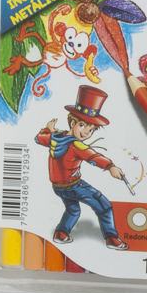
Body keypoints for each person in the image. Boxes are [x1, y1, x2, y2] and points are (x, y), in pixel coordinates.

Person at [36, 87, 129, 250]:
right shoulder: (76, 145)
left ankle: (60, 234)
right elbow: (93, 156)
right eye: (83, 126)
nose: (86, 132)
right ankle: (111, 239)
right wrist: (110, 166)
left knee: (73, 210)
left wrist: (47, 130)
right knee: (104, 206)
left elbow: (39, 138)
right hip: (73, 186)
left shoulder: (55, 137)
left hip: (58, 187)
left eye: (91, 130)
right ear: (73, 123)